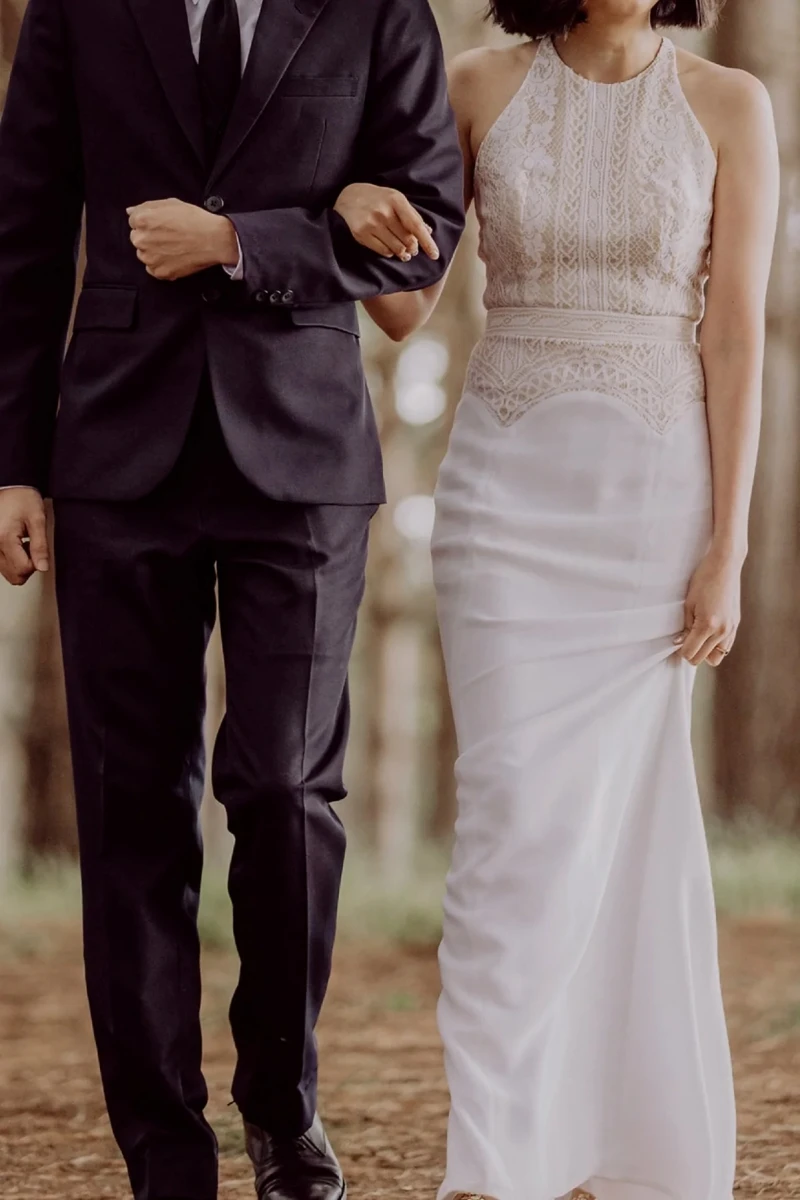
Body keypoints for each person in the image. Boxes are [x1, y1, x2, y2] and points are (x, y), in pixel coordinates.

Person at [0, 2, 464, 1198]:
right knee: (131, 807)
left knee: (287, 788)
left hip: (302, 460)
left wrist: (243, 241)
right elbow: (24, 228)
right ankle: (162, 1146)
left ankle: (282, 1109)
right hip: (112, 453)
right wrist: (13, 459)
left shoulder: (376, 14)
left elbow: (424, 239)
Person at [350, 1, 779, 1197]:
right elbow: (401, 305)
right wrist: (352, 208)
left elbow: (735, 333)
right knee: (509, 824)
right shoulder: (476, 83)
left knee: (626, 824)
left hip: (653, 498)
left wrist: (726, 546)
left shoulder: (730, 104)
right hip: (503, 499)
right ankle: (495, 1161)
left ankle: (630, 1142)